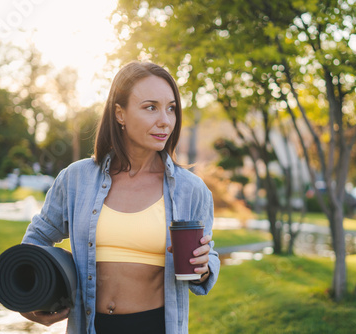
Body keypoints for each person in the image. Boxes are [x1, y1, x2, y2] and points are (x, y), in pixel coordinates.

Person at [19, 61, 220, 334]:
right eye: (151, 107)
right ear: (120, 114)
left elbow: (208, 259)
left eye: (171, 108)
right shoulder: (76, 179)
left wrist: (204, 266)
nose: (165, 120)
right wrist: (30, 300)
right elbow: (36, 241)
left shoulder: (190, 189)